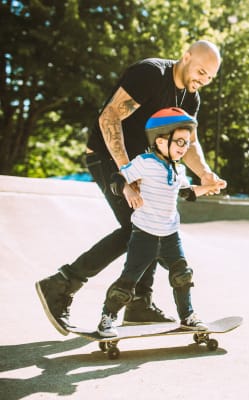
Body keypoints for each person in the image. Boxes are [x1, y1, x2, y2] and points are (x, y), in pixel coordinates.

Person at [35, 40, 226, 335]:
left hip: (145, 167)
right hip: (108, 157)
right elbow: (109, 117)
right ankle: (60, 284)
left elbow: (187, 142)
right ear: (185, 57)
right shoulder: (150, 74)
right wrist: (126, 173)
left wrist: (204, 173)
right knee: (138, 228)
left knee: (153, 222)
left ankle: (140, 305)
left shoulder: (191, 98)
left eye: (209, 77)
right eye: (200, 71)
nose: (202, 80)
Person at [97, 107, 225, 337]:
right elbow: (117, 177)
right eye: (179, 142)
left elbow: (186, 192)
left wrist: (208, 187)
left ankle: (188, 315)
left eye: (186, 143)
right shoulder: (145, 162)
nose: (183, 148)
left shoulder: (178, 168)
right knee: (129, 280)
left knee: (182, 274)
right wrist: (128, 190)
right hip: (144, 234)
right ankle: (108, 317)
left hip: (170, 235)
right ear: (160, 140)